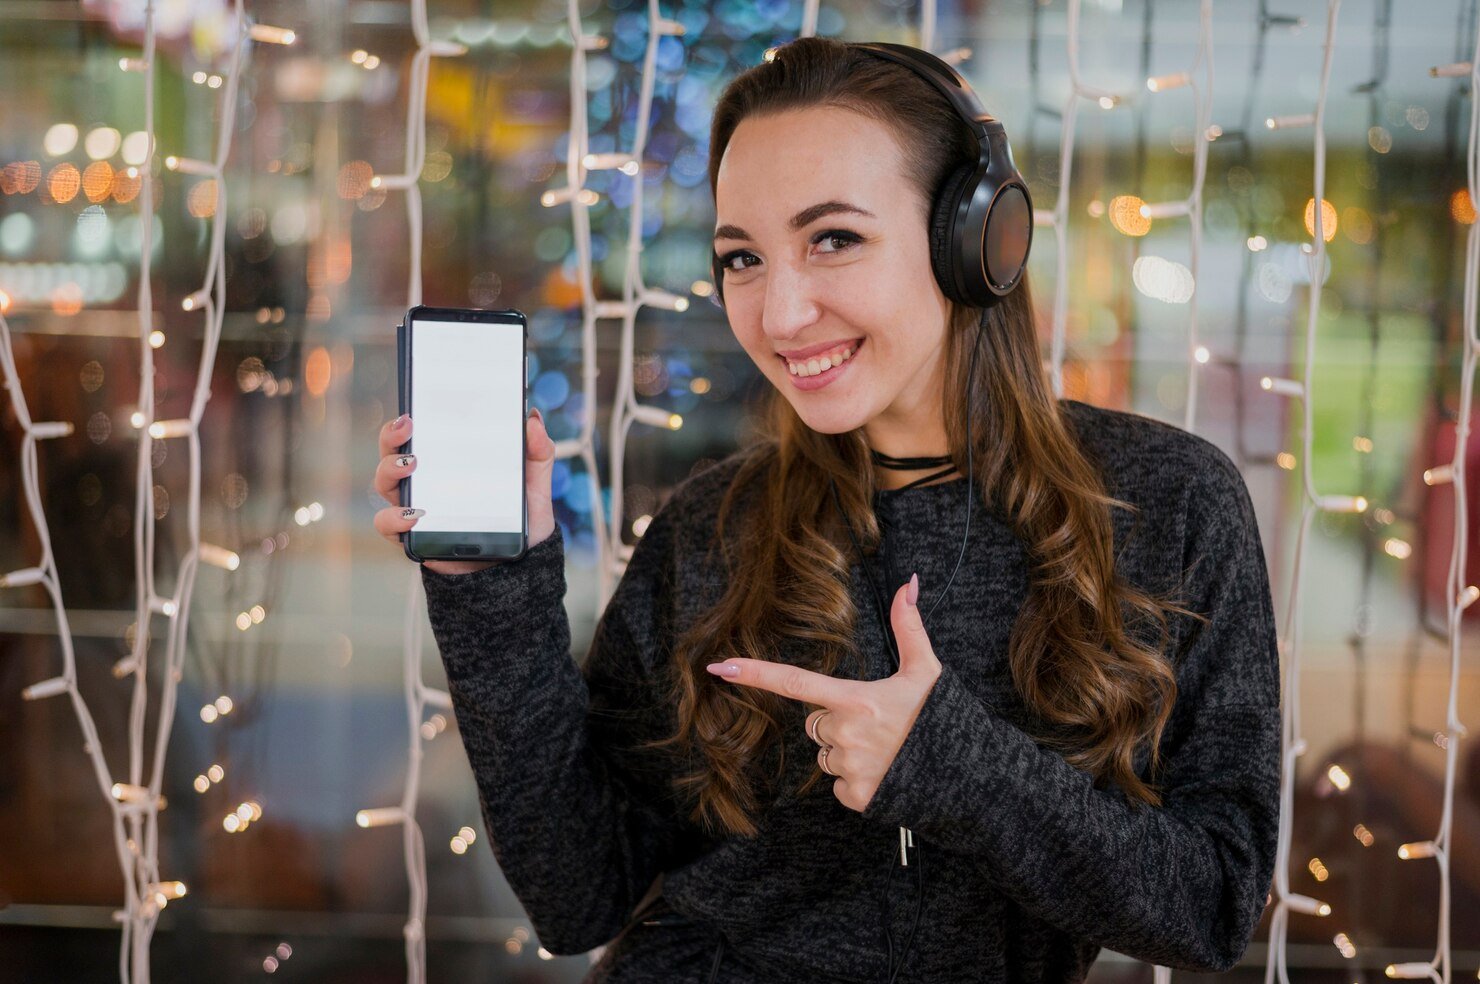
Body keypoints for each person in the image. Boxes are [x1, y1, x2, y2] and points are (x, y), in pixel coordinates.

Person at [372, 36, 1281, 984]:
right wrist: (490, 592)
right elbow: (578, 895)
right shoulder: (713, 524)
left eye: (833, 239)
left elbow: (1212, 907)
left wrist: (950, 763)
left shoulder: (1166, 505)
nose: (778, 314)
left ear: (976, 240)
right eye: (742, 258)